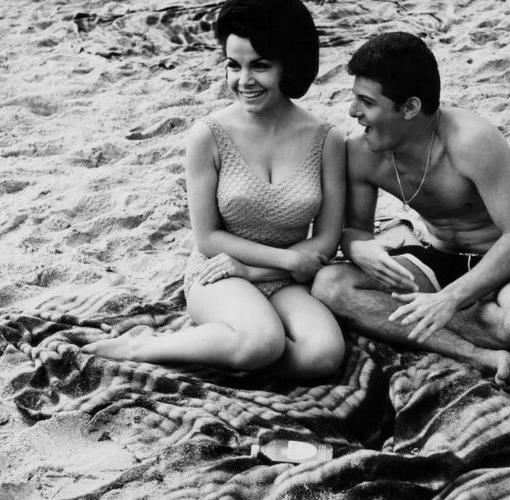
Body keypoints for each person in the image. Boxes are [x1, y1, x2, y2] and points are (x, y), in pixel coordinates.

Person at [84, 0, 346, 378]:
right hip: (218, 273)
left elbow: (326, 240)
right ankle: (141, 346)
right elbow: (207, 238)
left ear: (290, 64)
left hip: (284, 280)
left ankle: (231, 348)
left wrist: (260, 271)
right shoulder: (208, 135)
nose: (244, 80)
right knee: (261, 341)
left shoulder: (327, 140)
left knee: (323, 355)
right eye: (233, 65)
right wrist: (283, 261)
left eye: (260, 65)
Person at [312, 32, 510, 384]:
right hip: (436, 261)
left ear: (410, 107)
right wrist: (359, 248)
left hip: (506, 268)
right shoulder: (362, 152)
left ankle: (424, 317)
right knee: (330, 286)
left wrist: (449, 300)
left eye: (366, 102)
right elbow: (355, 232)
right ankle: (475, 353)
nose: (353, 112)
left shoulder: (471, 140)